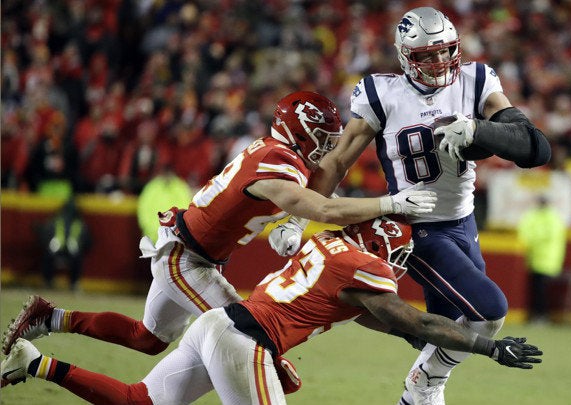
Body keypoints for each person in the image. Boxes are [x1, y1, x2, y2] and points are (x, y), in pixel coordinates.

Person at [2, 91, 436, 381]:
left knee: (148, 341)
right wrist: (390, 204)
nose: (326, 147)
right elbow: (322, 207)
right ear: (300, 132)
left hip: (194, 252)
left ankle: (50, 318)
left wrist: (294, 221)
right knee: (252, 337)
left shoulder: (277, 154)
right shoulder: (276, 163)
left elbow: (320, 192)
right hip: (187, 258)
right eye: (321, 138)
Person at [268, 7, 551, 404]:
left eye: (445, 51)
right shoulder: (382, 93)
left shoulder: (476, 79)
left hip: (464, 224)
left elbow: (534, 145)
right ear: (405, 57)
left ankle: (426, 390)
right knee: (488, 313)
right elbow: (338, 160)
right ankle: (423, 387)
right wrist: (297, 218)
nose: (438, 62)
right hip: (414, 226)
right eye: (425, 55)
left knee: (445, 329)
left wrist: (477, 127)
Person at [1, 215, 543, 403]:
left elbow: (386, 321)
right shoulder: (369, 268)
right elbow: (413, 319)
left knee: (140, 401)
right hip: (247, 343)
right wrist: (488, 344)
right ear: (383, 249)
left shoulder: (326, 244)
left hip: (216, 324)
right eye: (396, 257)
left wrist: (427, 341)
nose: (397, 267)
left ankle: (36, 362)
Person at [517, 195, 567, 324]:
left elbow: (532, 235)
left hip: (546, 261)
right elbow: (525, 233)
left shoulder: (551, 218)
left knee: (541, 290)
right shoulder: (547, 217)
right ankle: (538, 315)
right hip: (536, 260)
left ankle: (542, 316)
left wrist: (532, 240)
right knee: (536, 290)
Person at [37, 196, 91, 291]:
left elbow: (88, 241)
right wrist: (50, 244)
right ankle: (48, 282)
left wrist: (78, 246)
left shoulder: (79, 224)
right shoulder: (56, 221)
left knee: (77, 256)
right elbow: (44, 235)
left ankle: (73, 283)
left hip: (71, 253)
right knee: (49, 254)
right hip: (57, 251)